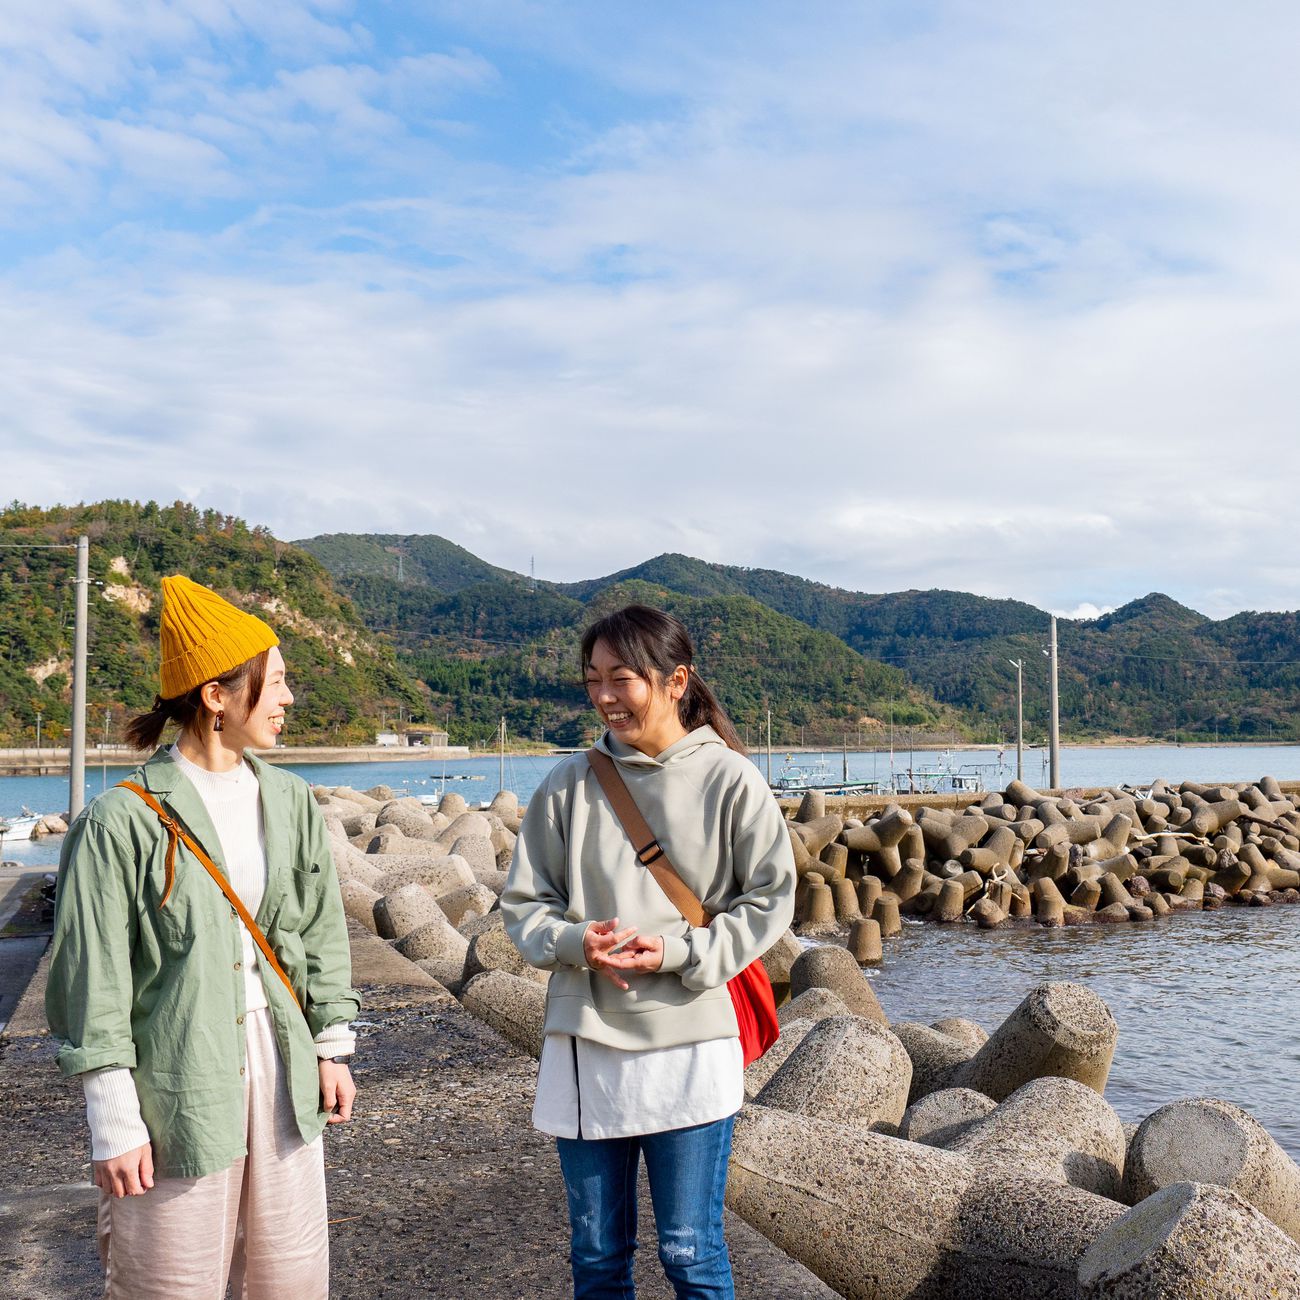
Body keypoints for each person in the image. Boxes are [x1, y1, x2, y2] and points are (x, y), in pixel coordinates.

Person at [46, 575, 359, 1299]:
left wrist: (334, 1045)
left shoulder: (288, 799)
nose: (287, 700)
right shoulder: (119, 820)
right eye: (274, 683)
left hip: (281, 1063)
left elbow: (320, 929)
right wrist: (113, 1118)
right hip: (175, 1073)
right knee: (170, 1276)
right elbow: (94, 978)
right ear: (216, 696)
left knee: (289, 1272)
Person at [502, 603, 796, 1299]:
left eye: (623, 678)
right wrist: (578, 942)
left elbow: (770, 900)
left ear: (675, 681)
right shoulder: (569, 783)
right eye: (593, 678)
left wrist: (673, 951)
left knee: (690, 1251)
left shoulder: (729, 780)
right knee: (598, 1253)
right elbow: (523, 904)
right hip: (588, 1040)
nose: (604, 696)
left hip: (693, 1039)